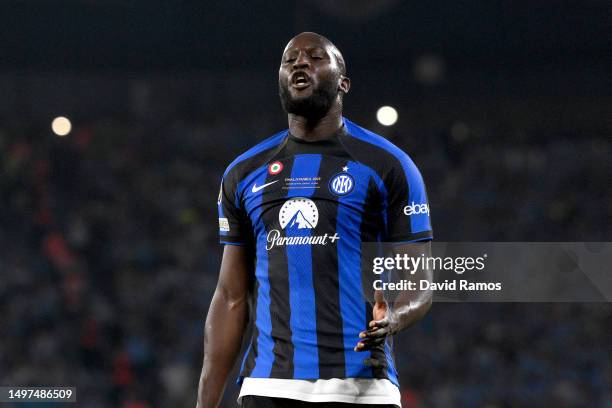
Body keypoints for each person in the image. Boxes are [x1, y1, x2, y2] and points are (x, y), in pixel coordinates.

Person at [197, 32, 433, 408]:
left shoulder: (388, 165)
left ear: (343, 82)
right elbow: (229, 297)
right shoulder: (243, 174)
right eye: (289, 59)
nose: (299, 63)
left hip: (362, 389)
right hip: (268, 389)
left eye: (315, 57)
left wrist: (395, 319)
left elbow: (420, 281)